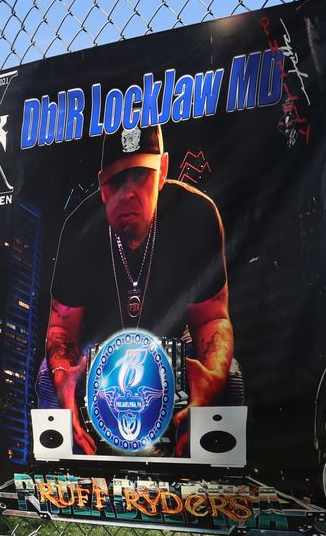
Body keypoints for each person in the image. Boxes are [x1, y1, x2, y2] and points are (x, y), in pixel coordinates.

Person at [44, 124, 234, 454]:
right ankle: (72, 476)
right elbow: (61, 327)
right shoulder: (80, 228)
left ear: (162, 170)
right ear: (102, 186)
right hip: (96, 351)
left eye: (140, 176)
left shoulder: (196, 215)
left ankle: (202, 476)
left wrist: (212, 379)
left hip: (174, 344)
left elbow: (212, 319)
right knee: (48, 380)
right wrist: (64, 378)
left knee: (231, 377)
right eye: (116, 181)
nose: (127, 193)